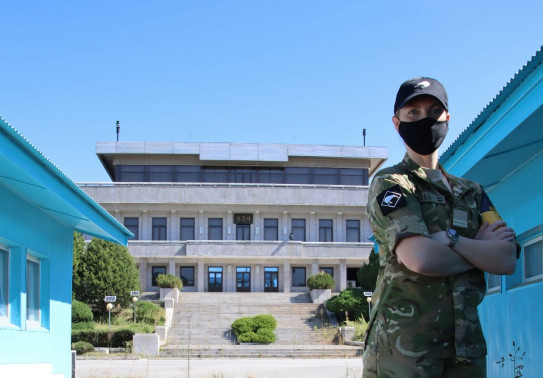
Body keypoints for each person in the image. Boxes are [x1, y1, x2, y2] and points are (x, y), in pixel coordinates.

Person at [363, 77, 519, 377]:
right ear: (397, 124)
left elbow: (506, 258)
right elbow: (422, 258)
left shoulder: (472, 192)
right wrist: (479, 250)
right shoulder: (392, 184)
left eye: (434, 111)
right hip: (405, 352)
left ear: (447, 119)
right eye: (414, 113)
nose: (425, 119)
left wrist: (449, 239)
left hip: (466, 349)